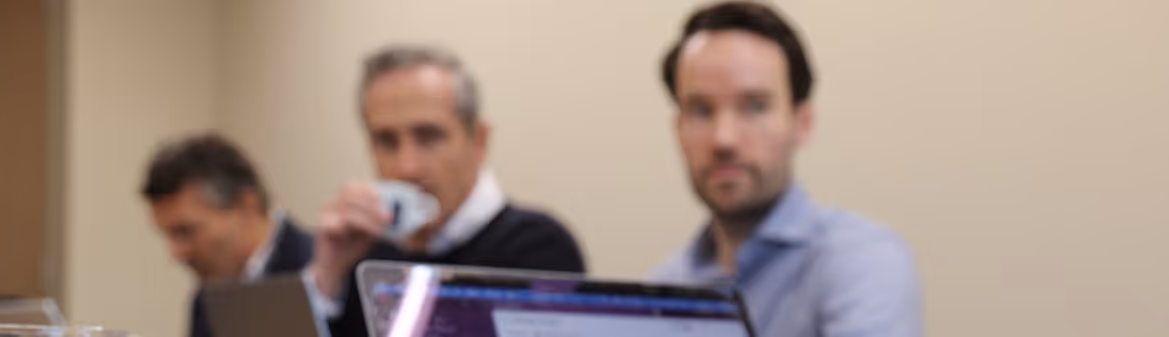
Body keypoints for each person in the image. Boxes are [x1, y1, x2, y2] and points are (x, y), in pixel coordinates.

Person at [647, 2, 924, 337]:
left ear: (802, 122)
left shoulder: (863, 262)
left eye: (754, 106)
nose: (724, 139)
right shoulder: (661, 289)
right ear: (678, 129)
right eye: (702, 110)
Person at [307, 45, 587, 337]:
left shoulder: (539, 249)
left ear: (479, 141)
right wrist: (326, 279)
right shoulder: (368, 257)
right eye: (386, 141)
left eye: (429, 137)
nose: (407, 167)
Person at [139, 133, 316, 337]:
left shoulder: (330, 274)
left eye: (186, 231)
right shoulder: (207, 298)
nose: (177, 253)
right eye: (169, 236)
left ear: (246, 205)